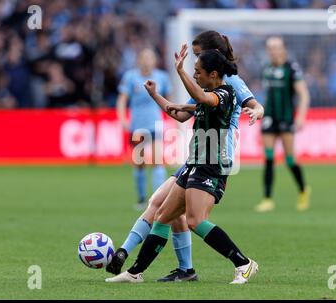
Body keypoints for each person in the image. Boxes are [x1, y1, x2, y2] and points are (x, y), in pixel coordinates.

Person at [106, 31, 264, 282]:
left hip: (212, 163)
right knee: (163, 215)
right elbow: (182, 111)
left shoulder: (226, 92)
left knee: (194, 221)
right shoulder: (206, 88)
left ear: (213, 72)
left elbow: (205, 100)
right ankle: (135, 273)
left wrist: (179, 71)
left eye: (198, 67)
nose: (194, 72)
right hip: (194, 162)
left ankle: (243, 263)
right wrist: (156, 95)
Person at [254, 37, 311, 212]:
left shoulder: (291, 69)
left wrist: (300, 117)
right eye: (270, 48)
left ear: (283, 49)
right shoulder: (267, 69)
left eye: (276, 47)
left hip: (286, 118)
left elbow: (304, 95)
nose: (273, 51)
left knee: (289, 159)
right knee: (269, 158)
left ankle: (303, 190)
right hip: (270, 116)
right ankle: (267, 198)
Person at [116, 48, 171, 210]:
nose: (146, 61)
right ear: (139, 60)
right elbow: (122, 99)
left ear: (154, 60)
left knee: (157, 161)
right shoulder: (131, 77)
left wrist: (175, 118)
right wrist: (122, 118)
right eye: (144, 57)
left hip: (155, 123)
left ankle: (158, 199)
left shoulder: (162, 77)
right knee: (139, 163)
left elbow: (170, 100)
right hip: (137, 126)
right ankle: (141, 199)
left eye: (149, 57)